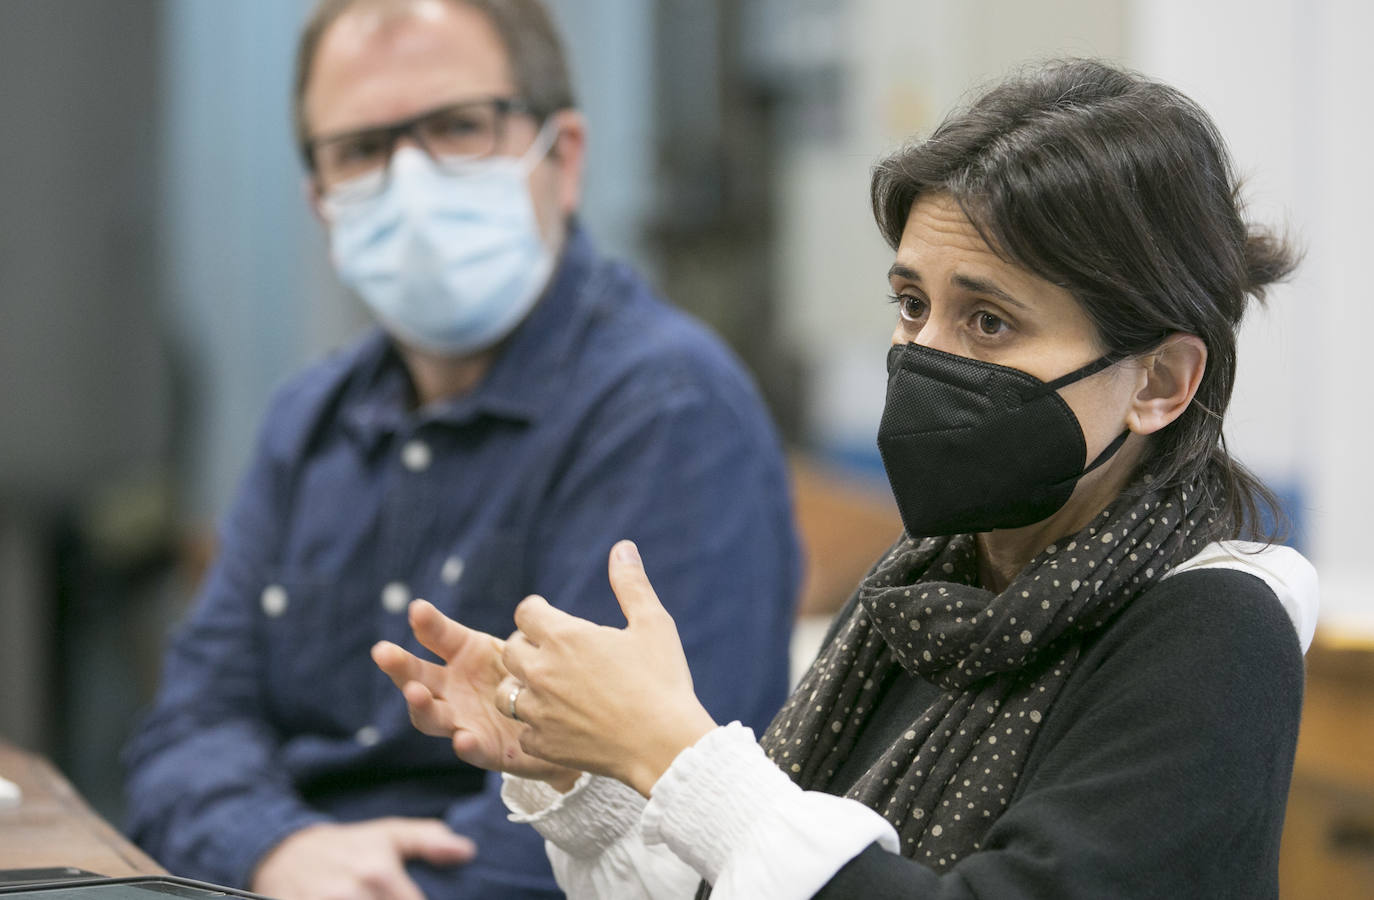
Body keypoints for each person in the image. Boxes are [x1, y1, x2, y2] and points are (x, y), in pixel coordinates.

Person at [373, 58, 1320, 899]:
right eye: (913, 305)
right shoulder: (923, 593)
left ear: (1158, 382)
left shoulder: (1214, 634)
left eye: (989, 322)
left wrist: (673, 752)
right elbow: (745, 877)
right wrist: (584, 765)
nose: (925, 358)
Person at [121, 1, 801, 898]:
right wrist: (274, 850)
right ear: (319, 202)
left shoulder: (665, 410)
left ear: (562, 160)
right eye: (360, 149)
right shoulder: (308, 419)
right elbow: (184, 734)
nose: (410, 179)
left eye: (455, 127)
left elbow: (639, 814)